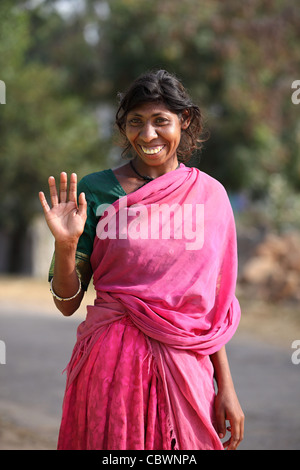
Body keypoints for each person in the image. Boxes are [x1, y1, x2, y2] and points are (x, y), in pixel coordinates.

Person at [39, 70, 244, 450]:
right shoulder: (95, 192)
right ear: (124, 127)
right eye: (136, 122)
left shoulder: (210, 197)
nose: (148, 135)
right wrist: (66, 246)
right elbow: (66, 303)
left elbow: (210, 312)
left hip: (186, 369)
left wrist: (226, 388)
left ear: (184, 122)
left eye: (160, 121)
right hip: (110, 369)